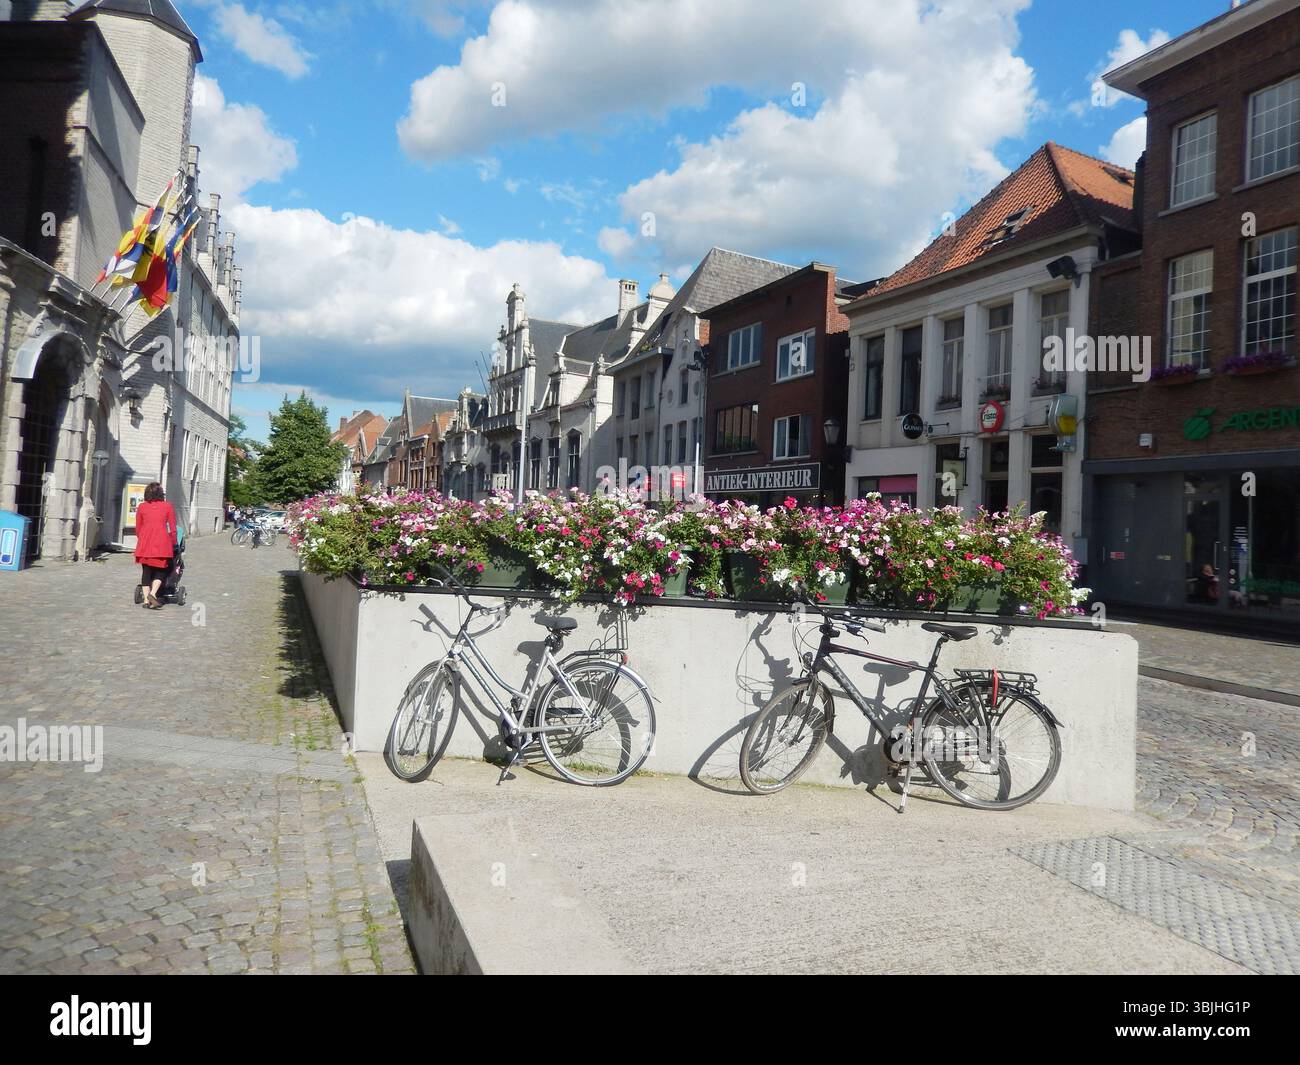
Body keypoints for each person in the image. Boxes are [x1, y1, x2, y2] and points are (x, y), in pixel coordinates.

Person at [135, 482, 179, 609]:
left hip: (145, 543)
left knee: (146, 571)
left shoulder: (142, 507)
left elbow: (138, 528)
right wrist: (174, 542)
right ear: (161, 494)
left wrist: (142, 538)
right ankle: (153, 594)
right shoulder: (167, 506)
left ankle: (145, 599)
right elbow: (172, 527)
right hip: (162, 543)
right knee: (161, 571)